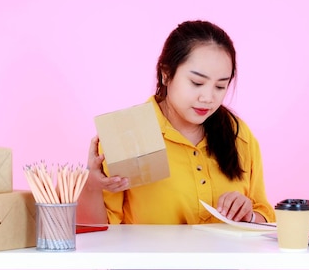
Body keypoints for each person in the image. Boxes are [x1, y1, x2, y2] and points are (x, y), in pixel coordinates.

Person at [77, 20, 275, 225]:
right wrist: (91, 185)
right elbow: (101, 233)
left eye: (220, 86)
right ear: (166, 74)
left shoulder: (238, 134)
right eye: (197, 83)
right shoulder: (128, 133)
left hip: (227, 258)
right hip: (150, 258)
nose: (208, 97)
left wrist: (249, 215)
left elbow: (264, 212)